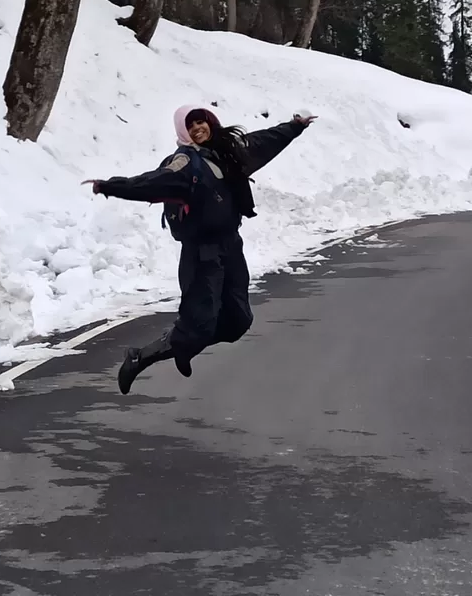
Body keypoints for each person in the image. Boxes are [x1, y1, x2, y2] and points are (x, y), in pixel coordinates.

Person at [87, 106, 317, 394]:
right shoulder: (185, 162)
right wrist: (111, 186)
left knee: (237, 321)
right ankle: (140, 356)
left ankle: (187, 344)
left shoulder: (231, 151)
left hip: (231, 246)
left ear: (211, 122)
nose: (197, 128)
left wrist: (295, 127)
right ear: (183, 132)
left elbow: (265, 141)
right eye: (190, 125)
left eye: (201, 122)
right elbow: (152, 182)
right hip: (201, 252)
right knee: (200, 323)